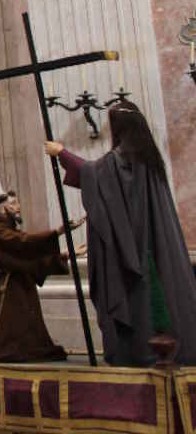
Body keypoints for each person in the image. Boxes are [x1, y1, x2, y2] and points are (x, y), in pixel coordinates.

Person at [46, 99, 196, 365]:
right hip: (154, 243)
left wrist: (62, 153)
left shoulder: (123, 158)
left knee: (141, 302)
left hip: (135, 249)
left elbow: (96, 176)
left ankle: (141, 352)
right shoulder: (149, 158)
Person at [0, 191, 83, 362]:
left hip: (21, 284)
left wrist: (66, 255)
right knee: (4, 329)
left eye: (18, 203)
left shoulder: (8, 228)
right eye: (13, 203)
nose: (18, 207)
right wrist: (57, 232)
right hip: (8, 287)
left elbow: (29, 257)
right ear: (3, 208)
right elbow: (23, 242)